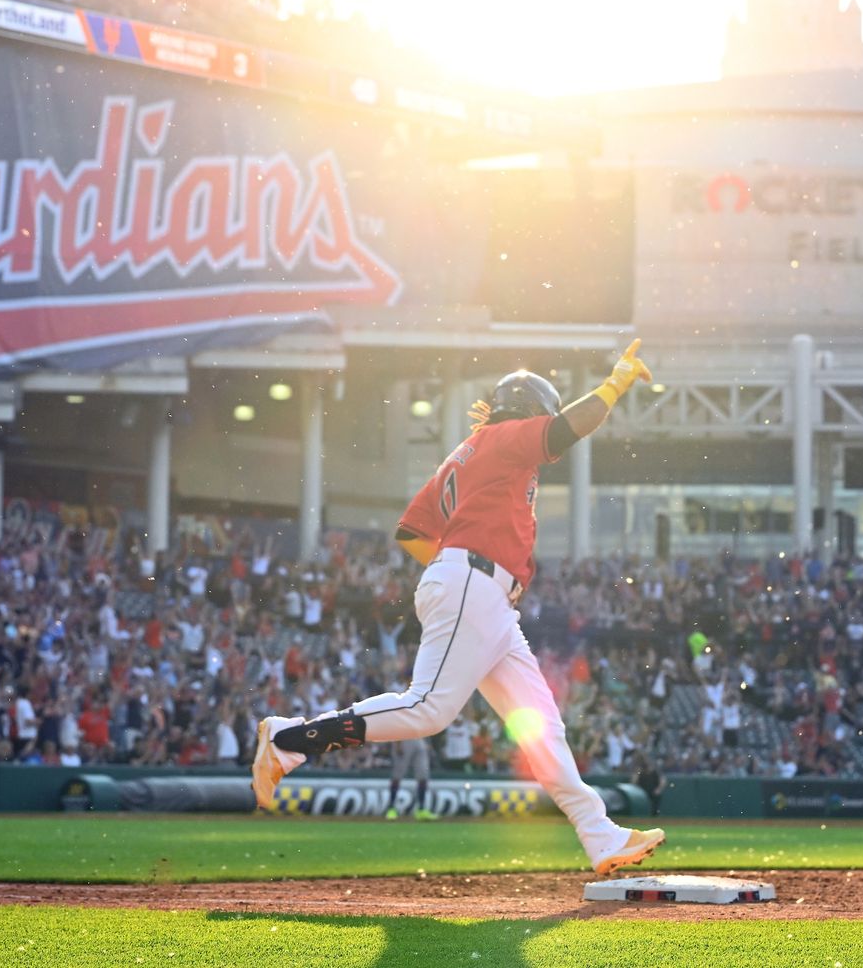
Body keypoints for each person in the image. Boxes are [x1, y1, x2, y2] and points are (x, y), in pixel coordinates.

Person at [253, 342, 665, 876]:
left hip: (480, 590)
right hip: (474, 584)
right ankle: (289, 738)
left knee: (540, 726)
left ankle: (600, 834)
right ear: (528, 408)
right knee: (428, 708)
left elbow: (411, 531)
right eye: (543, 411)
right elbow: (567, 428)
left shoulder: (468, 451)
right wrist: (615, 383)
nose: (546, 423)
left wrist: (453, 566)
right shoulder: (503, 439)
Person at [384, 737, 435, 820]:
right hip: (404, 739)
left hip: (419, 738)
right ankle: (391, 808)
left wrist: (427, 741)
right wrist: (398, 743)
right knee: (397, 775)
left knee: (423, 774)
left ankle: (421, 809)